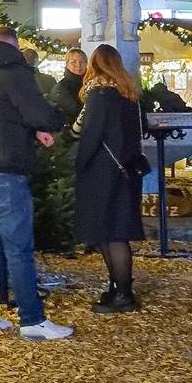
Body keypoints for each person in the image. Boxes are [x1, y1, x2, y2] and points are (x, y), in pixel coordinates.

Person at [0, 25, 73, 340]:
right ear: (13, 45)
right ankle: (32, 320)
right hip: (3, 170)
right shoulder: (13, 70)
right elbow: (38, 112)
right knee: (18, 248)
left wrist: (31, 131)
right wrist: (56, 122)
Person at [73, 44, 146, 313]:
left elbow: (90, 135)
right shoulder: (129, 93)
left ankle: (123, 293)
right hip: (127, 169)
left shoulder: (99, 94)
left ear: (95, 64)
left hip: (103, 171)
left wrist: (80, 164)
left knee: (110, 232)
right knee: (116, 230)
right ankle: (118, 288)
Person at [50, 48, 87, 126]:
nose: (78, 65)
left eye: (82, 62)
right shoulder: (61, 88)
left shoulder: (91, 83)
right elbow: (78, 111)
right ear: (66, 65)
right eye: (73, 62)